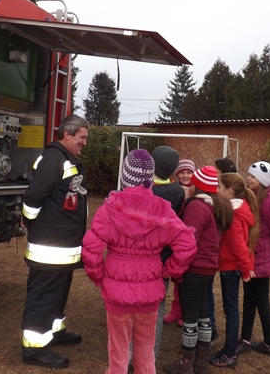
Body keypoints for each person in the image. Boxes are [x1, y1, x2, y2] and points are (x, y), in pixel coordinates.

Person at [83, 149, 197, 374]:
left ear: (125, 177)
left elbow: (90, 249)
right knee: (145, 354)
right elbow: (187, 246)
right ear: (149, 177)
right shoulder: (162, 209)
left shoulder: (110, 208)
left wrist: (99, 277)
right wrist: (168, 271)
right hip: (150, 292)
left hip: (117, 293)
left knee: (118, 353)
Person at [20, 114, 90, 369]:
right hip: (49, 247)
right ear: (67, 134)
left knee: (58, 293)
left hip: (62, 246)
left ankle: (55, 331)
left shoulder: (64, 158)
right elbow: (33, 198)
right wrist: (29, 221)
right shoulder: (53, 159)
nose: (84, 142)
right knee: (44, 295)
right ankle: (34, 349)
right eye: (82, 137)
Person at [163, 165, 223, 374]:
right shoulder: (214, 205)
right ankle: (200, 363)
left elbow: (188, 241)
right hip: (207, 267)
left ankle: (185, 363)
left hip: (194, 268)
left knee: (190, 318)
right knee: (203, 316)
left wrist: (175, 266)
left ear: (198, 186)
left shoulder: (196, 207)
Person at [236, 161, 270, 358]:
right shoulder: (255, 196)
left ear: (263, 180)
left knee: (261, 301)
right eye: (249, 175)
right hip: (254, 253)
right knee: (249, 298)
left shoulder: (269, 203)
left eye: (253, 176)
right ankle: (245, 339)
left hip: (262, 257)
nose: (248, 178)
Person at [208, 172, 260, 369]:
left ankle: (229, 354)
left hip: (231, 268)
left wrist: (246, 269)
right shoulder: (240, 208)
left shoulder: (232, 214)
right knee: (231, 309)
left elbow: (239, 245)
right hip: (233, 266)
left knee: (231, 310)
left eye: (219, 187)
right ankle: (229, 350)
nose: (217, 190)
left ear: (229, 191)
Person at [149, 146, 185, 361]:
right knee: (158, 307)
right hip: (164, 256)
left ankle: (133, 355)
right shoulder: (179, 191)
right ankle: (150, 356)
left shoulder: (147, 191)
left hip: (146, 256)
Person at [208, 157, 238, 343]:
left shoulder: (229, 207)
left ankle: (224, 342)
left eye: (215, 172)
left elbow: (236, 240)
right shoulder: (227, 202)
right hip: (221, 256)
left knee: (229, 304)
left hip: (224, 259)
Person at [163, 158, 196, 327]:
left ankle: (186, 312)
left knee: (187, 281)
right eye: (182, 172)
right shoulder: (174, 190)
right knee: (177, 278)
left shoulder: (195, 192)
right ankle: (176, 311)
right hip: (175, 237)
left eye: (188, 172)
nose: (185, 175)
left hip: (189, 238)